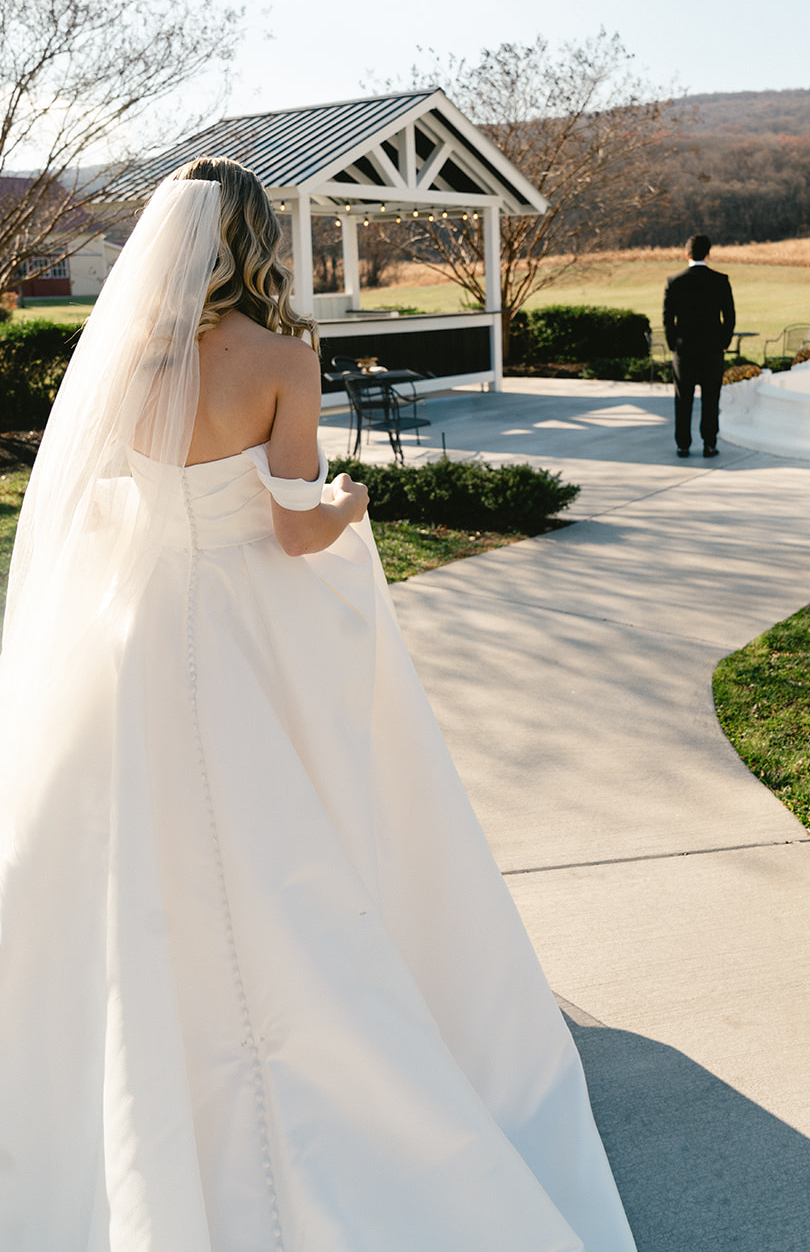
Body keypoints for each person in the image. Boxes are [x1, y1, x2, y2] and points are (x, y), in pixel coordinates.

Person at [0, 159, 637, 1252]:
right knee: (278, 837)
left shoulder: (124, 364)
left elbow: (96, 504)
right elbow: (294, 529)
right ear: (256, 242)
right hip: (244, 633)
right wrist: (349, 499)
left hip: (141, 630)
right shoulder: (283, 357)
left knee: (140, 848)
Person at [663, 233, 736, 458]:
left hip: (684, 349)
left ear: (687, 254)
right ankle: (709, 444)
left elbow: (668, 319)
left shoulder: (674, 282)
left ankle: (683, 445)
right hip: (712, 349)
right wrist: (724, 343)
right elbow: (729, 317)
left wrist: (673, 344)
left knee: (683, 398)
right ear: (708, 254)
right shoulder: (721, 280)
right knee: (710, 398)